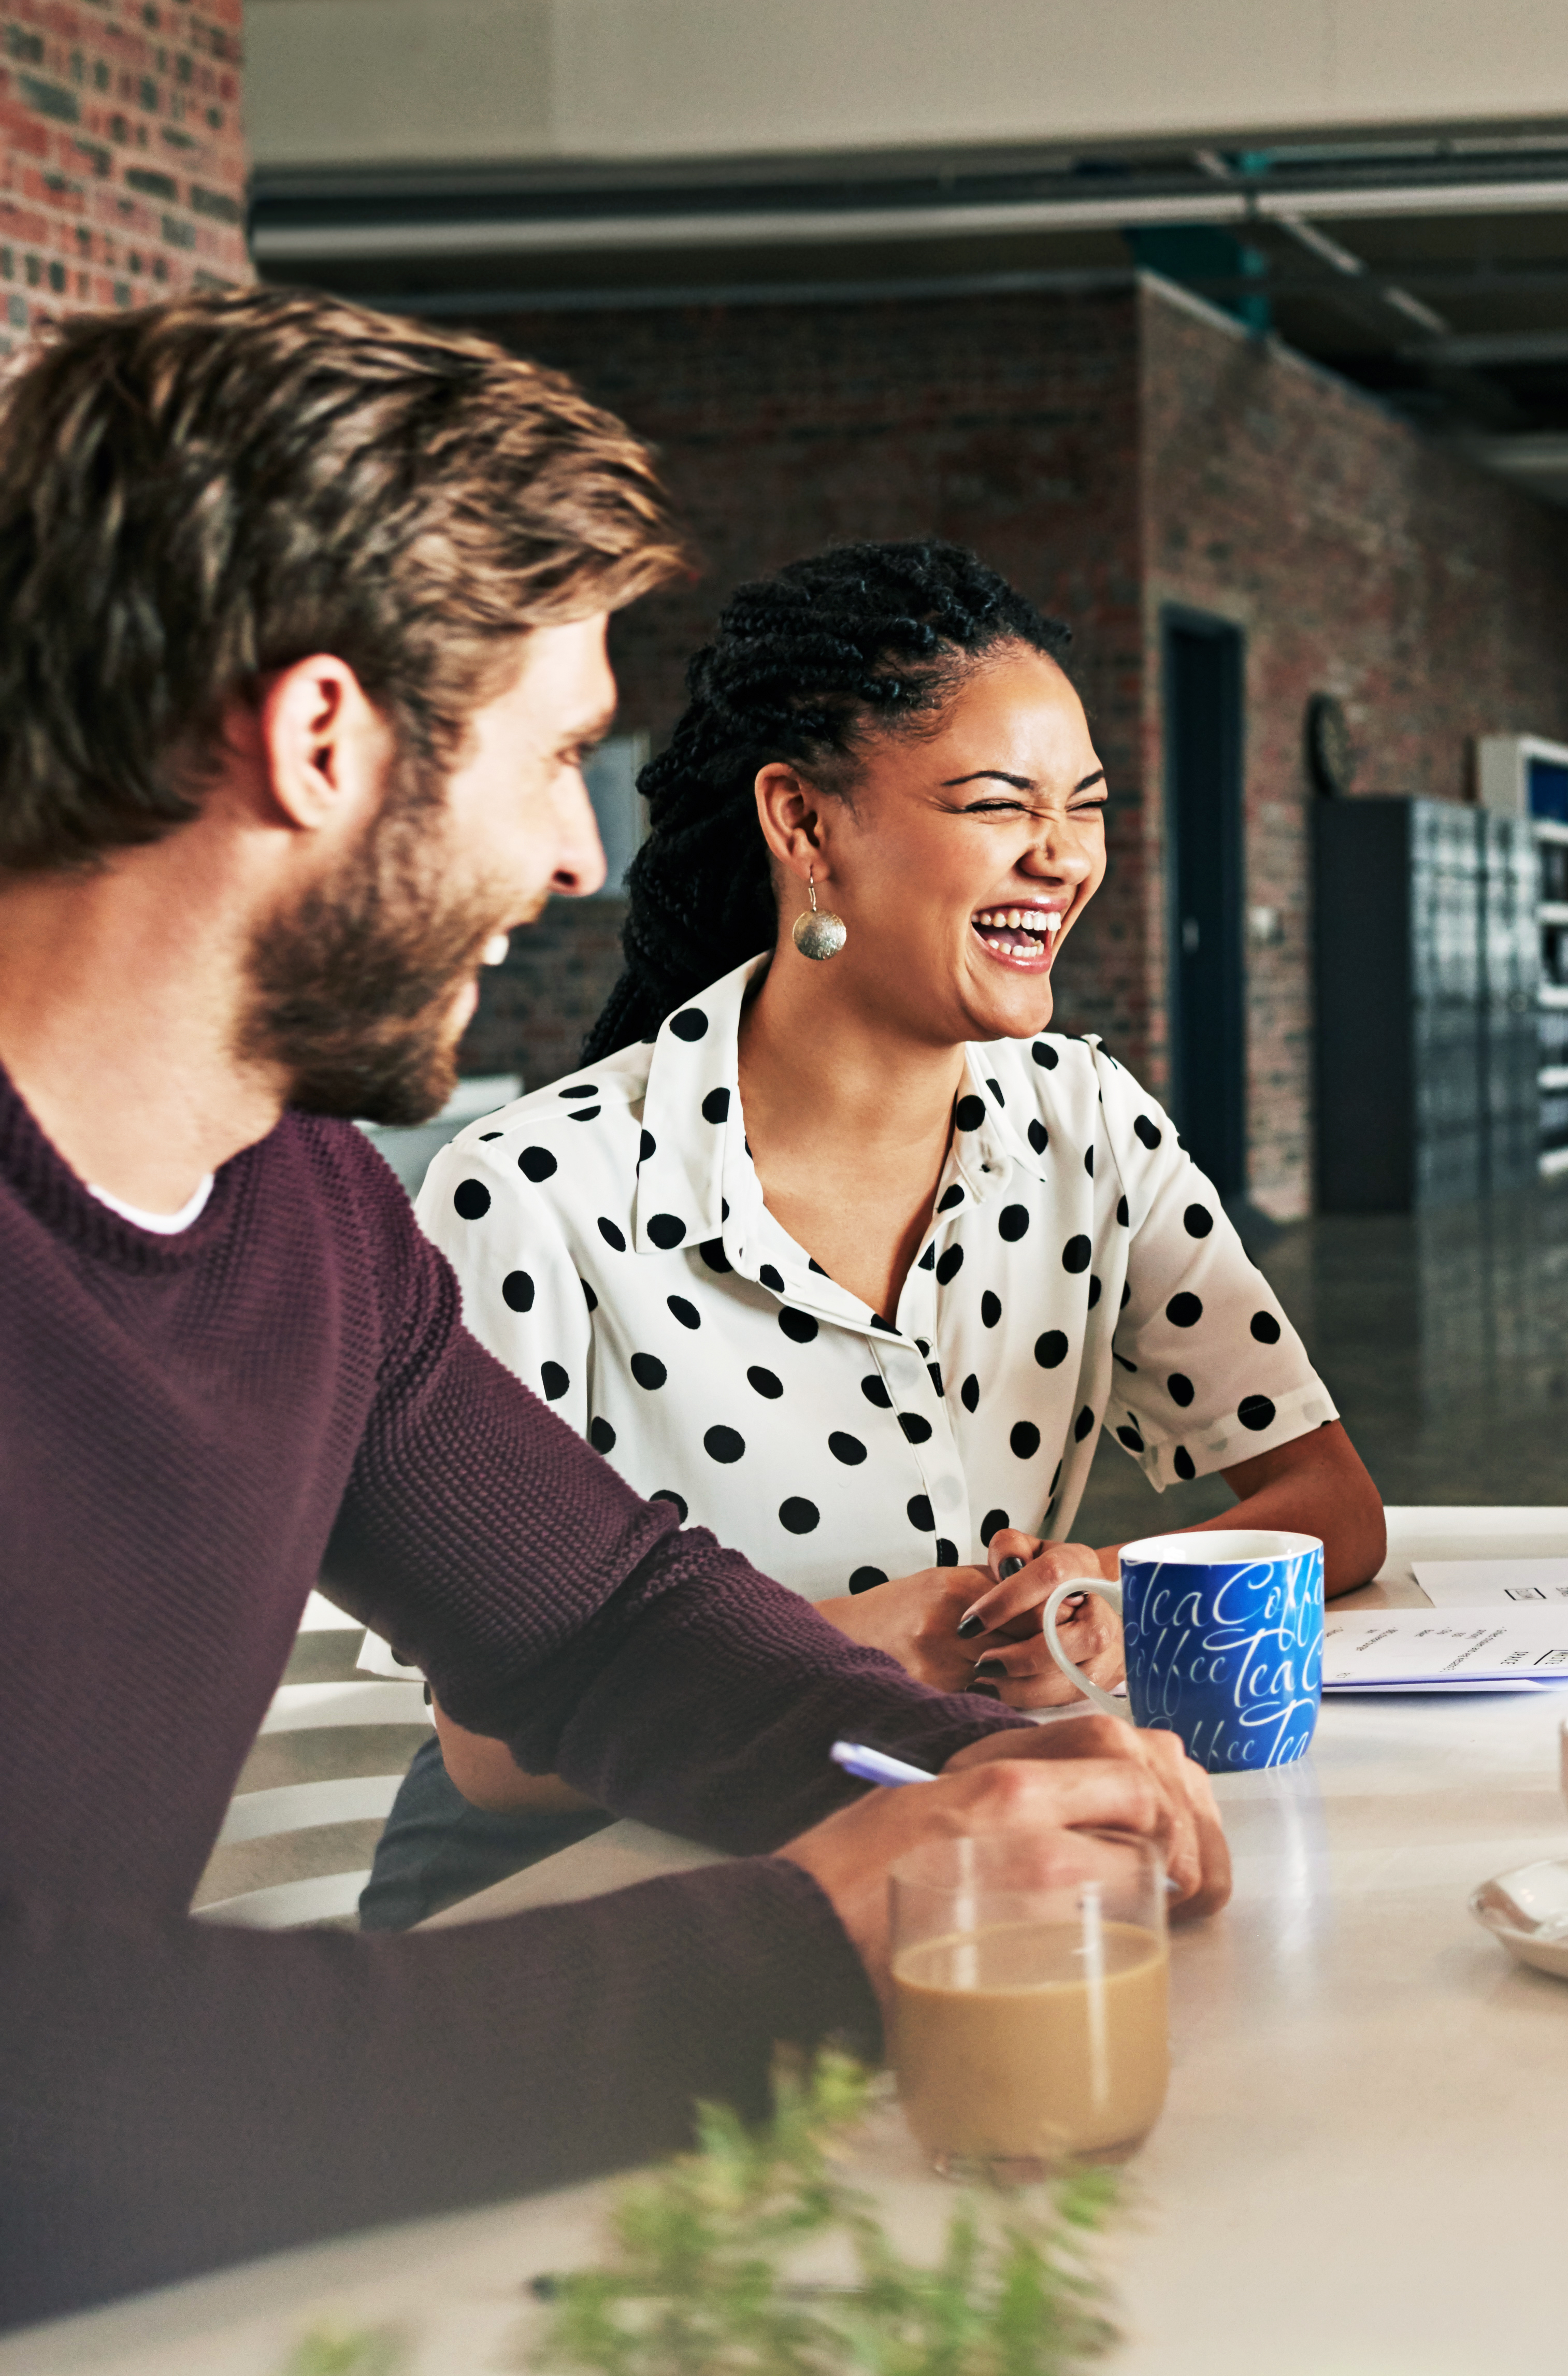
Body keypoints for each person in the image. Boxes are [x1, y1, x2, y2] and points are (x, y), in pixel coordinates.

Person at [0, 290, 1232, 2331]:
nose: (579, 859)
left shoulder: (300, 1209)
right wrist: (812, 1951)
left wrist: (968, 1783)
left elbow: (600, 1621)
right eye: (558, 753)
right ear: (321, 741)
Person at [361, 540, 1387, 1926]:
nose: (1064, 855)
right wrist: (865, 1650)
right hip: (576, 1911)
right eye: (994, 803)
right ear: (804, 822)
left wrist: (1111, 1591)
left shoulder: (1090, 1123)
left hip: (944, 1849)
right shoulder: (533, 1195)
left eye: (1084, 806)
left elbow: (1333, 1508)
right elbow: (490, 1750)